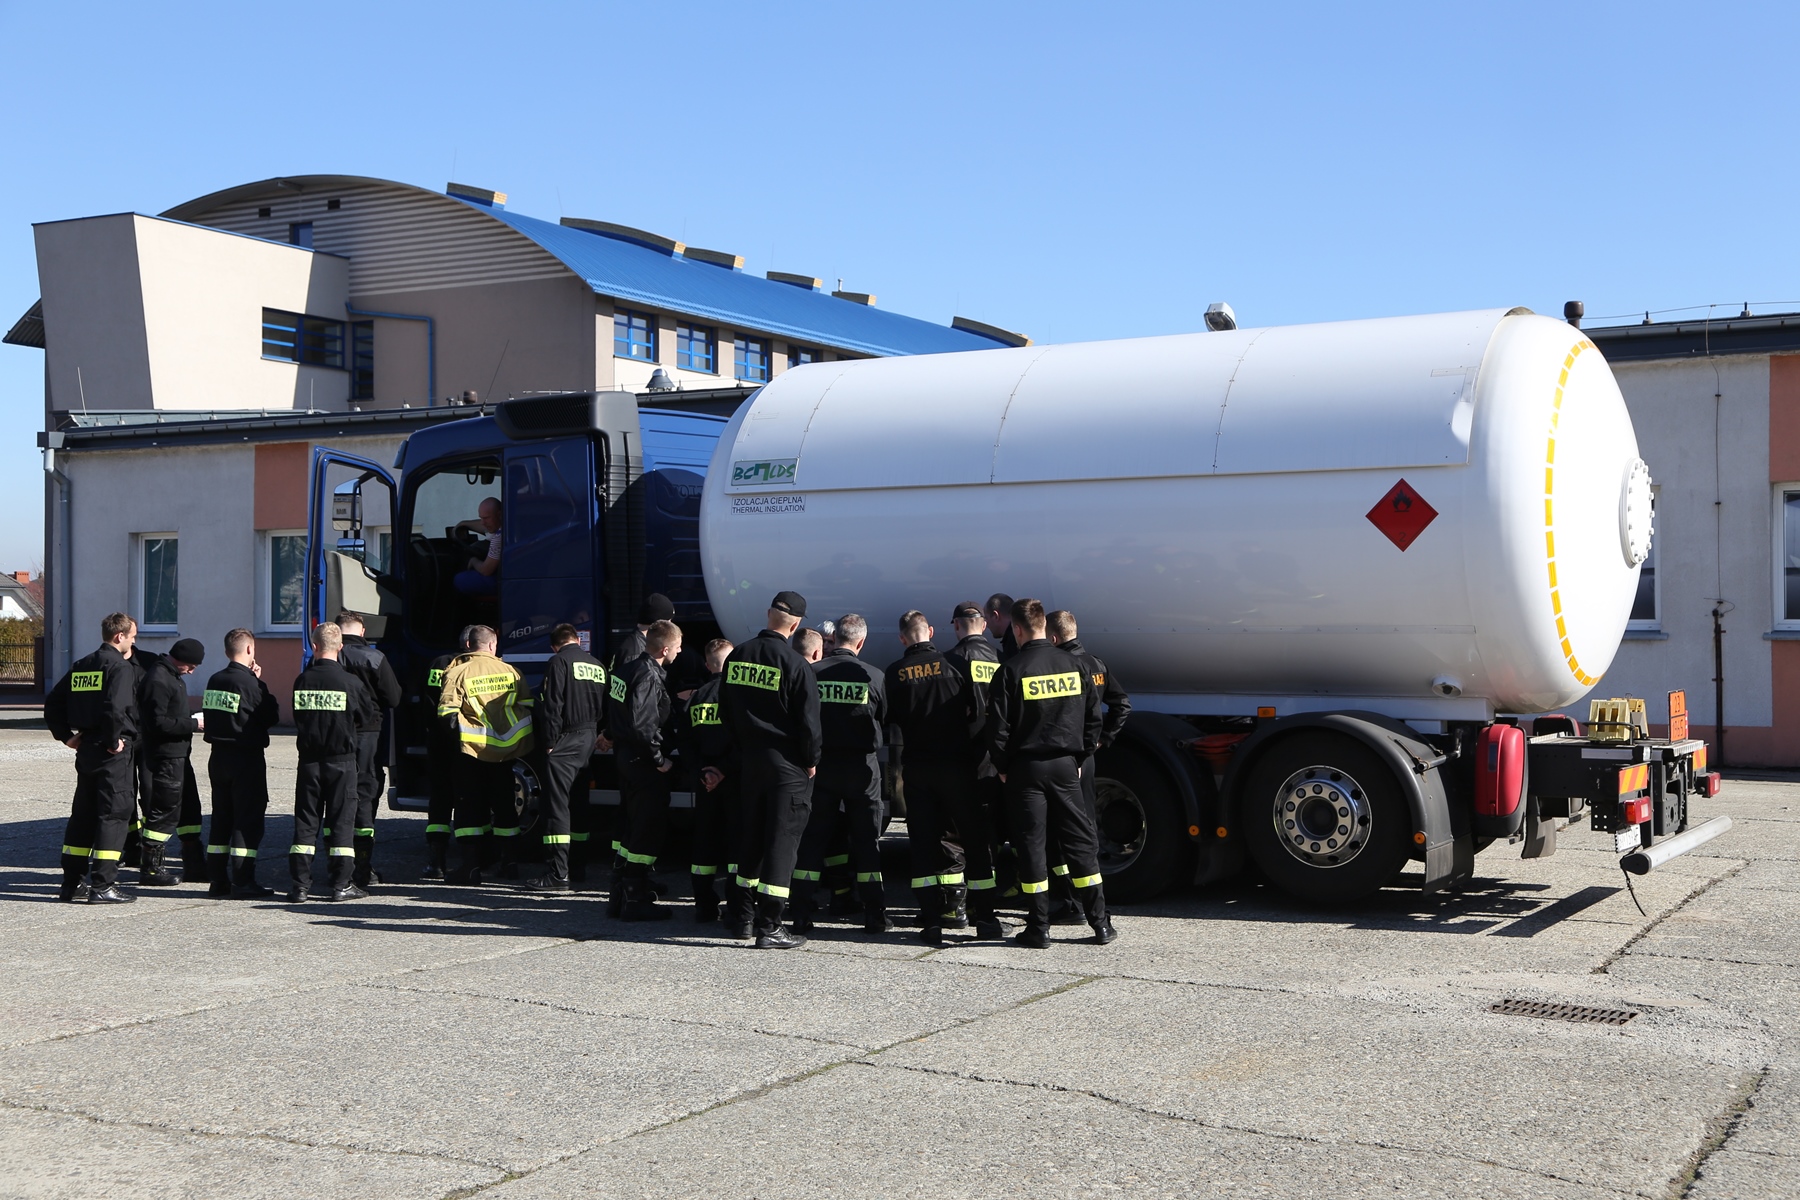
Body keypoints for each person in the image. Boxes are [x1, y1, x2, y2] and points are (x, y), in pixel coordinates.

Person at [986, 598, 1116, 949]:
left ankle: (1039, 929)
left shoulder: (1011, 670)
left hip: (1025, 770)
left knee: (1032, 846)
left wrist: (1001, 767)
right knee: (1080, 843)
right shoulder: (1075, 665)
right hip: (1066, 767)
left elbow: (996, 729)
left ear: (1016, 628)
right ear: (1044, 625)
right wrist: (1082, 756)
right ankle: (1101, 925)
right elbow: (1094, 718)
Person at [885, 609, 997, 943]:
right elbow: (977, 713)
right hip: (957, 767)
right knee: (973, 841)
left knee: (922, 843)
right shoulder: (956, 665)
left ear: (903, 638)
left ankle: (931, 922)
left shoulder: (894, 673)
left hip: (917, 769)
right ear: (931, 632)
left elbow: (890, 718)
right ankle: (986, 921)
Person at [717, 591, 821, 949]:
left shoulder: (738, 656)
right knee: (781, 845)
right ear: (795, 625)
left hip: (751, 762)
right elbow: (809, 724)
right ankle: (771, 926)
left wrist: (742, 748)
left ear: (768, 614)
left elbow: (725, 711)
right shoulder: (795, 664)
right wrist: (810, 761)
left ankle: (742, 916)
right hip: (787, 766)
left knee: (753, 840)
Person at [793, 614, 891, 935]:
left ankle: (801, 914)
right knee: (866, 842)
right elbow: (884, 720)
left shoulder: (811, 673)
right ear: (860, 642)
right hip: (862, 770)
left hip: (820, 769)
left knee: (812, 841)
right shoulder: (874, 677)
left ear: (833, 639)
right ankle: (875, 915)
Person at [45, 612, 141, 904]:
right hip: (111, 752)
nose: (134, 642)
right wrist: (114, 740)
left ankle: (72, 883)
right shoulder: (119, 668)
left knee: (83, 816)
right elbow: (116, 709)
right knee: (113, 815)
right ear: (119, 637)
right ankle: (103, 885)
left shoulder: (83, 665)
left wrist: (65, 735)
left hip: (86, 749)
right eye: (133, 637)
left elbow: (53, 702)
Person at [1047, 608, 1133, 919]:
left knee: (1060, 831)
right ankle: (1091, 901)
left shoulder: (1060, 666)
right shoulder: (1097, 663)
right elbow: (1121, 704)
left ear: (1053, 637)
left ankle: (1071, 902)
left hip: (1065, 756)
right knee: (1086, 828)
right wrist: (1102, 740)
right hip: (1089, 758)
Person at [438, 624, 534, 885]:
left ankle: (470, 868)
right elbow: (526, 707)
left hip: (470, 752)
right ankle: (510, 864)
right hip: (505, 752)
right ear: (493, 645)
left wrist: (460, 741)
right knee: (505, 808)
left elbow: (447, 715)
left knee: (469, 809)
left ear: (469, 644)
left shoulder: (458, 671)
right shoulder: (511, 671)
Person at [289, 622, 375, 903]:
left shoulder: (303, 680)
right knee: (341, 822)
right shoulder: (351, 682)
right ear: (340, 647)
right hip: (342, 762)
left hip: (310, 762)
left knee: (306, 823)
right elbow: (366, 716)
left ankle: (300, 886)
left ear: (314, 646)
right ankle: (341, 884)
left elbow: (298, 717)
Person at [608, 618, 681, 920]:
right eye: (677, 646)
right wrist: (659, 759)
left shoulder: (625, 670)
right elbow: (643, 726)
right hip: (643, 763)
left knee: (631, 827)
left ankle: (620, 892)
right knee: (646, 830)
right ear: (665, 649)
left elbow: (619, 716)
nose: (679, 651)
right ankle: (636, 898)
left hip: (625, 759)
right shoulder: (648, 676)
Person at [527, 623, 607, 892]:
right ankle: (578, 866)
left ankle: (557, 873)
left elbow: (553, 706)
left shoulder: (558, 662)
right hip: (589, 736)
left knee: (557, 806)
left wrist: (549, 743)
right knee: (579, 802)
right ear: (576, 640)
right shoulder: (597, 664)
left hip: (566, 738)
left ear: (554, 645)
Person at [201, 629, 280, 898]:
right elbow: (270, 715)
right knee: (247, 821)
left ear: (227, 651)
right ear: (249, 650)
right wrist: (259, 682)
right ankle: (243, 881)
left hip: (218, 757)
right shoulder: (250, 684)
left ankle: (217, 881)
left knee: (221, 819)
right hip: (245, 759)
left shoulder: (215, 679)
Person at [941, 601, 1004, 933]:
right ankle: (985, 910)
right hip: (991, 761)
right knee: (985, 837)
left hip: (958, 760)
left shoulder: (949, 661)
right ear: (982, 624)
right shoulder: (999, 659)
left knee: (954, 835)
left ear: (955, 626)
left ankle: (954, 908)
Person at [336, 611, 402, 888]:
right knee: (365, 796)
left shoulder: (327, 658)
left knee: (337, 797)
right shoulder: (374, 658)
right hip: (368, 735)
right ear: (362, 631)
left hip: (334, 735)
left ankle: (336, 867)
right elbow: (394, 697)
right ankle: (362, 869)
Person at [135, 637, 207, 887]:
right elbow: (158, 723)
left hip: (179, 755)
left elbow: (171, 714)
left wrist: (187, 719)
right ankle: (151, 869)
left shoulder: (171, 676)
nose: (193, 670)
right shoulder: (158, 679)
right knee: (164, 812)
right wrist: (193, 723)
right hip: (166, 757)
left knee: (189, 810)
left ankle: (195, 865)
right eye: (192, 665)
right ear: (181, 660)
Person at [683, 637, 734, 922]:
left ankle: (703, 904)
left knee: (704, 842)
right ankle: (736, 905)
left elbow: (686, 742)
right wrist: (723, 770)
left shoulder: (696, 697)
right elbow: (743, 741)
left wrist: (704, 772)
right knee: (736, 844)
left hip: (705, 784)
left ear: (707, 665)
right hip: (733, 782)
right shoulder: (736, 697)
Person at [418, 634, 466, 881]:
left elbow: (428, 701)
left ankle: (437, 861)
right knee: (468, 798)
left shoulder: (439, 663)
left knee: (439, 800)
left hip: (438, 740)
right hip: (469, 742)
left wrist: (432, 731)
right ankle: (475, 861)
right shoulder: (476, 665)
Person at [453, 497, 502, 596]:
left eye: (486, 518)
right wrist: (463, 524)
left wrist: (473, 561)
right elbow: (485, 528)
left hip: (502, 582)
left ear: (500, 515)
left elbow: (486, 570)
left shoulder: (499, 537)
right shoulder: (505, 527)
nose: (483, 522)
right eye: (481, 518)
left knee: (459, 579)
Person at [985, 592, 1021, 662]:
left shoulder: (1013, 642)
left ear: (996, 616)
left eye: (986, 618)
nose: (986, 625)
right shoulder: (1021, 634)